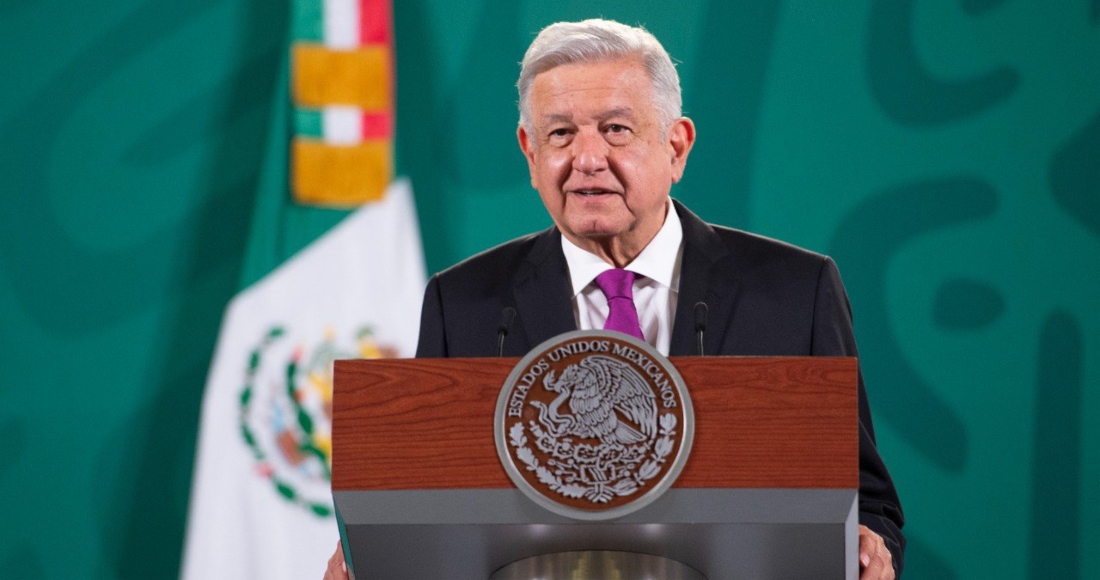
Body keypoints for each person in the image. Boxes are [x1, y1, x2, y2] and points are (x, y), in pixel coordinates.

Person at [325, 18, 904, 580]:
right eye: (560, 134)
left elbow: (866, 500)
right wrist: (370, 557)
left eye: (616, 130)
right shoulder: (466, 303)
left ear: (676, 146)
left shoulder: (794, 292)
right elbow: (428, 501)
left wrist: (870, 545)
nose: (587, 158)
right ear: (530, 152)